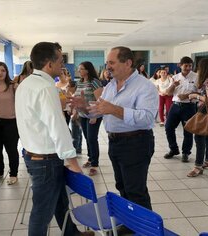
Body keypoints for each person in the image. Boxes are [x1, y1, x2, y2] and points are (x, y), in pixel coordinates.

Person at [15, 42, 94, 236]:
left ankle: (72, 233)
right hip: (46, 160)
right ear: (49, 64)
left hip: (33, 153)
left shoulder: (26, 83)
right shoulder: (45, 88)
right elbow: (57, 128)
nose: (63, 65)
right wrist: (73, 161)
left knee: (60, 201)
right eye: (60, 60)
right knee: (42, 212)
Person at [70, 46, 158, 211]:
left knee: (136, 191)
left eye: (112, 62)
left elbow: (147, 118)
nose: (108, 66)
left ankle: (144, 229)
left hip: (136, 142)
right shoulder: (110, 86)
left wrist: (114, 109)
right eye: (107, 63)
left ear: (128, 63)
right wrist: (83, 108)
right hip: (115, 143)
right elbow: (99, 110)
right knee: (122, 186)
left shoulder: (145, 86)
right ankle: (129, 223)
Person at [187, 58, 208, 177]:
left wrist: (195, 96)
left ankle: (198, 167)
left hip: (206, 109)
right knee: (207, 135)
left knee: (199, 137)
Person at [164, 56, 197, 162]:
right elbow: (168, 93)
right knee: (168, 127)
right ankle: (173, 149)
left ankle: (186, 152)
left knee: (188, 131)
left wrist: (188, 95)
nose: (188, 68)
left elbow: (200, 92)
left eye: (190, 66)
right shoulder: (175, 77)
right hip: (176, 106)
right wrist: (173, 85)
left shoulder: (196, 77)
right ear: (180, 65)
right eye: (186, 65)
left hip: (189, 107)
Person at [75, 61, 103, 176]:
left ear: (88, 70)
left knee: (92, 138)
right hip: (83, 115)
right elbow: (78, 98)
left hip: (93, 115)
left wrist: (95, 116)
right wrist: (76, 112)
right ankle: (90, 159)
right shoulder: (80, 82)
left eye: (81, 69)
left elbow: (100, 100)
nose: (79, 71)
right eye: (79, 69)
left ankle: (95, 164)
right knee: (87, 138)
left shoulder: (95, 82)